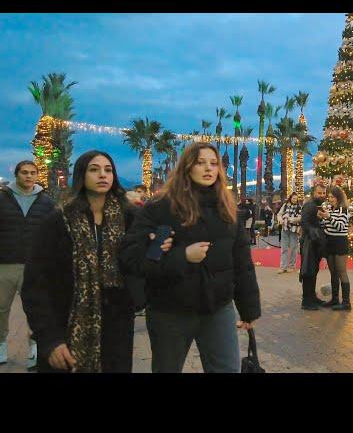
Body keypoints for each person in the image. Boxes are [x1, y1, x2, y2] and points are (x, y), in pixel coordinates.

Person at [21, 151, 172, 373]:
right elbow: (36, 285)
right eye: (94, 169)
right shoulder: (59, 221)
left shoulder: (130, 218)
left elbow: (142, 266)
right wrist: (50, 339)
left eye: (108, 170)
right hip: (67, 325)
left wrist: (155, 248)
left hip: (116, 327)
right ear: (82, 175)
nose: (102, 174)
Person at [119, 142, 261, 372]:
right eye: (200, 162)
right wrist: (183, 255)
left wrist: (249, 307)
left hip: (217, 308)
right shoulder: (160, 207)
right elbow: (131, 256)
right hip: (170, 310)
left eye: (214, 163)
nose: (208, 168)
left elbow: (242, 261)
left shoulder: (226, 207)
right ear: (187, 167)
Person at [0, 160, 55, 369]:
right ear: (17, 175)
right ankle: (1, 345)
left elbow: (52, 233)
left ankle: (35, 348)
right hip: (4, 264)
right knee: (0, 309)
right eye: (24, 172)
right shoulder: (2, 198)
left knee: (36, 309)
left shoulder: (46, 202)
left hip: (35, 266)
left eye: (33, 173)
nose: (29, 176)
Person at [318, 186, 351, 311]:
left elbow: (340, 226)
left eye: (332, 197)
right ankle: (335, 298)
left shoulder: (343, 210)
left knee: (342, 271)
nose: (330, 199)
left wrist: (328, 217)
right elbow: (327, 226)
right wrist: (321, 217)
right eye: (329, 197)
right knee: (333, 273)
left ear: (338, 197)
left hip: (340, 242)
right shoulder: (331, 209)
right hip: (329, 242)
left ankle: (346, 302)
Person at [299, 183, 328, 310]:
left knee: (313, 270)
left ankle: (312, 296)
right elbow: (304, 223)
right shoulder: (309, 205)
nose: (322, 195)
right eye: (319, 193)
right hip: (309, 243)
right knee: (308, 271)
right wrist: (315, 233)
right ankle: (306, 300)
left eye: (323, 193)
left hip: (314, 243)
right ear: (313, 193)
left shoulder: (316, 206)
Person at [276, 192, 302, 274]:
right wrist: (280, 219)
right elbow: (279, 214)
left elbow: (301, 217)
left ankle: (291, 265)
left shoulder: (299, 207)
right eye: (293, 198)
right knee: (284, 248)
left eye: (296, 198)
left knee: (294, 248)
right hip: (285, 228)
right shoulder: (285, 205)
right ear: (290, 198)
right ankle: (283, 266)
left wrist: (292, 219)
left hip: (294, 229)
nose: (295, 200)